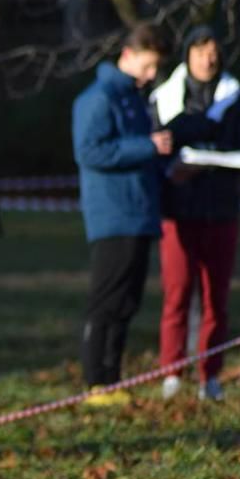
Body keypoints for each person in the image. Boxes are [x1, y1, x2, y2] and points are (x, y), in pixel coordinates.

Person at [149, 25, 240, 401]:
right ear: (188, 55)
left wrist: (208, 160)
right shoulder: (163, 99)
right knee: (177, 293)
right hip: (177, 210)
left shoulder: (235, 99)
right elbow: (153, 147)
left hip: (221, 210)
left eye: (213, 52)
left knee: (216, 298)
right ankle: (172, 372)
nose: (207, 59)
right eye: (200, 52)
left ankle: (209, 374)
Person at [71, 24, 174, 406]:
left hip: (140, 213)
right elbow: (90, 151)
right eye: (148, 66)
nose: (151, 75)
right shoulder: (97, 98)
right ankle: (95, 382)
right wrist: (145, 146)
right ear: (128, 55)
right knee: (106, 301)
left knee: (127, 303)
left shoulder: (135, 98)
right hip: (113, 215)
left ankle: (112, 379)